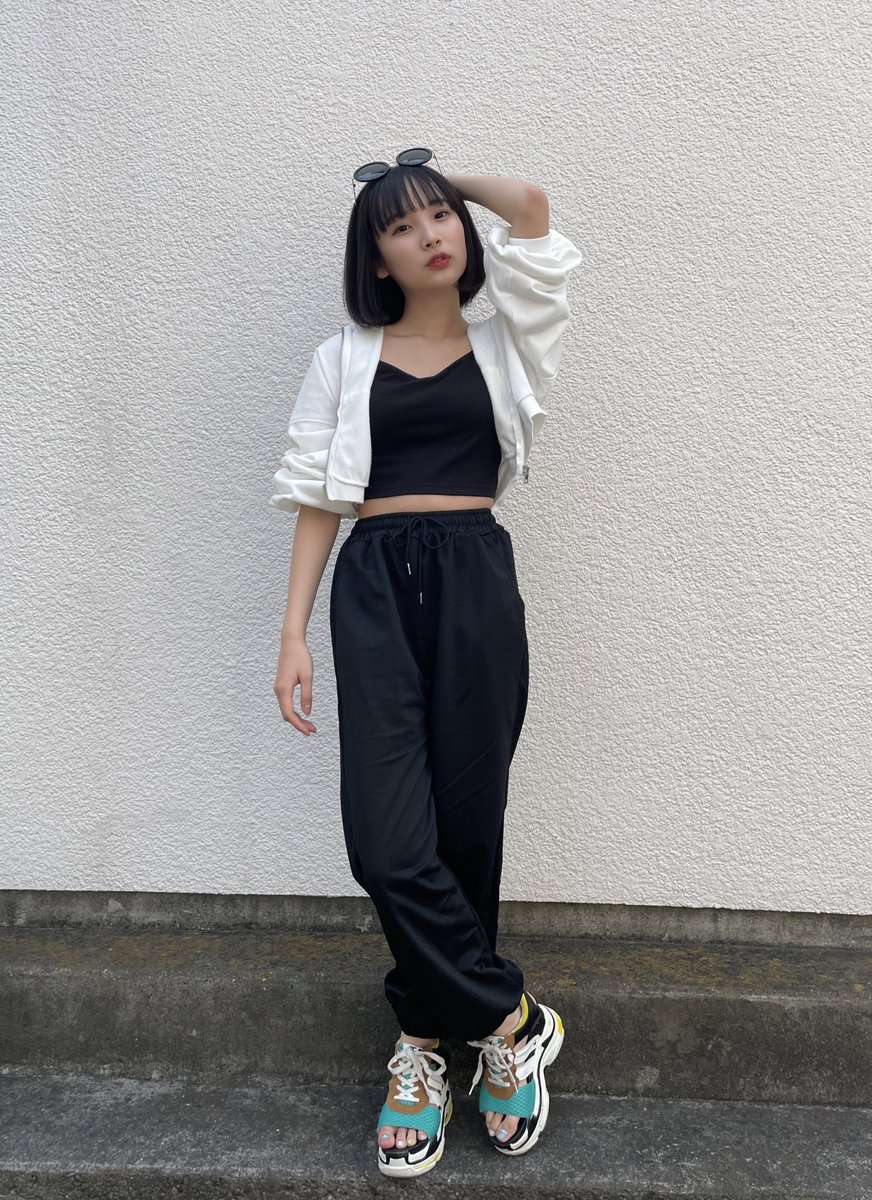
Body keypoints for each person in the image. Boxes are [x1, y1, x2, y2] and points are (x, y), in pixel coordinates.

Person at [271, 148, 582, 1178]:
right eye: (400, 227)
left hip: (474, 579)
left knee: (466, 829)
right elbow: (316, 494)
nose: (430, 236)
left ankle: (424, 1047)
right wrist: (291, 633)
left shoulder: (507, 339)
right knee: (385, 842)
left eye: (438, 217)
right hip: (372, 585)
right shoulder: (342, 357)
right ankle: (509, 1018)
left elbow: (530, 211)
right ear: (377, 259)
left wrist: (441, 177)